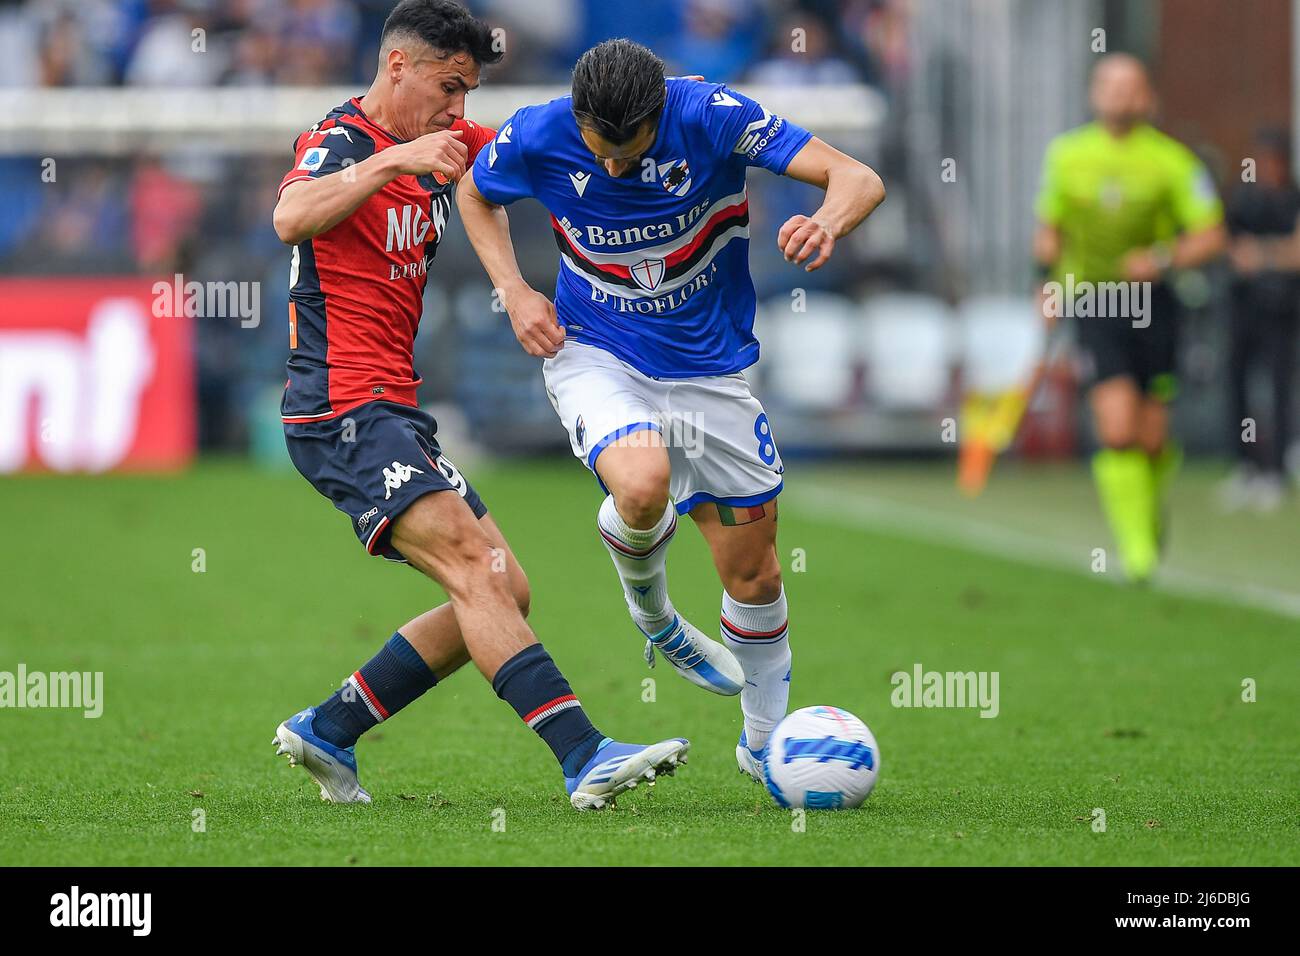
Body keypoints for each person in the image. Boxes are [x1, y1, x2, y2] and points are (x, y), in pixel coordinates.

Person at [269, 0, 688, 811]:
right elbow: (291, 215)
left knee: (504, 587)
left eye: (468, 93)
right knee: (473, 568)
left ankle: (329, 727)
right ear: (399, 67)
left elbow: (529, 161)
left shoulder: (449, 141)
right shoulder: (342, 140)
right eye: (449, 87)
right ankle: (583, 755)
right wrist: (396, 163)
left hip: (392, 405)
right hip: (340, 407)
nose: (458, 110)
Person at [457, 39, 885, 780]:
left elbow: (858, 178)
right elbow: (474, 192)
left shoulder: (714, 116)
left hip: (709, 367)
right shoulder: (536, 131)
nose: (616, 166)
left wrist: (827, 222)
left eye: (632, 149)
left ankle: (762, 743)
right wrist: (516, 290)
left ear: (661, 111)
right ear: (578, 117)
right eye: (602, 150)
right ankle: (654, 614)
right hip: (594, 348)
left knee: (755, 577)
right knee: (642, 481)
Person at [1034, 53, 1225, 583]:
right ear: (1095, 94)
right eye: (1109, 85)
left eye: (1129, 86)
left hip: (1154, 305)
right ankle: (1138, 550)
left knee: (1153, 439)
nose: (1119, 95)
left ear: (1147, 97)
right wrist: (1045, 284)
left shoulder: (1173, 161)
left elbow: (1211, 235)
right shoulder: (1067, 154)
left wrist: (1161, 259)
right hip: (1095, 301)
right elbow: (1050, 227)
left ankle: (1149, 506)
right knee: (1116, 430)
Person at [1220, 128, 1300, 511]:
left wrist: (1265, 255)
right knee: (1239, 384)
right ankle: (1247, 464)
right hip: (1244, 307)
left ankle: (1276, 471)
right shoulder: (1245, 198)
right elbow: (1227, 240)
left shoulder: (1293, 199)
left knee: (1278, 388)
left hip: (1281, 309)